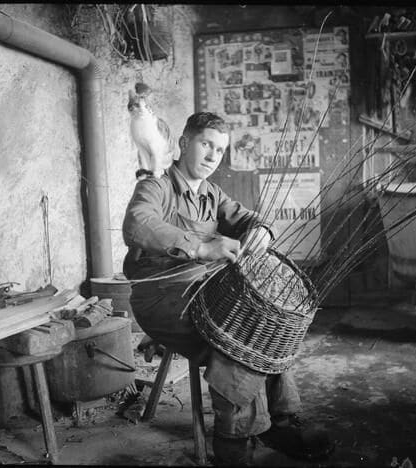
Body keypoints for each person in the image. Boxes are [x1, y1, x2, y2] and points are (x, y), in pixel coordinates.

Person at [122, 112, 331, 465]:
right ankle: (234, 442)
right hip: (160, 296)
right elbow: (137, 224)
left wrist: (260, 231)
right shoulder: (156, 186)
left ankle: (279, 420)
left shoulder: (211, 192)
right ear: (185, 142)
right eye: (206, 144)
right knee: (235, 336)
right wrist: (202, 247)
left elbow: (248, 218)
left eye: (219, 150)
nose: (212, 156)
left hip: (203, 290)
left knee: (265, 323)